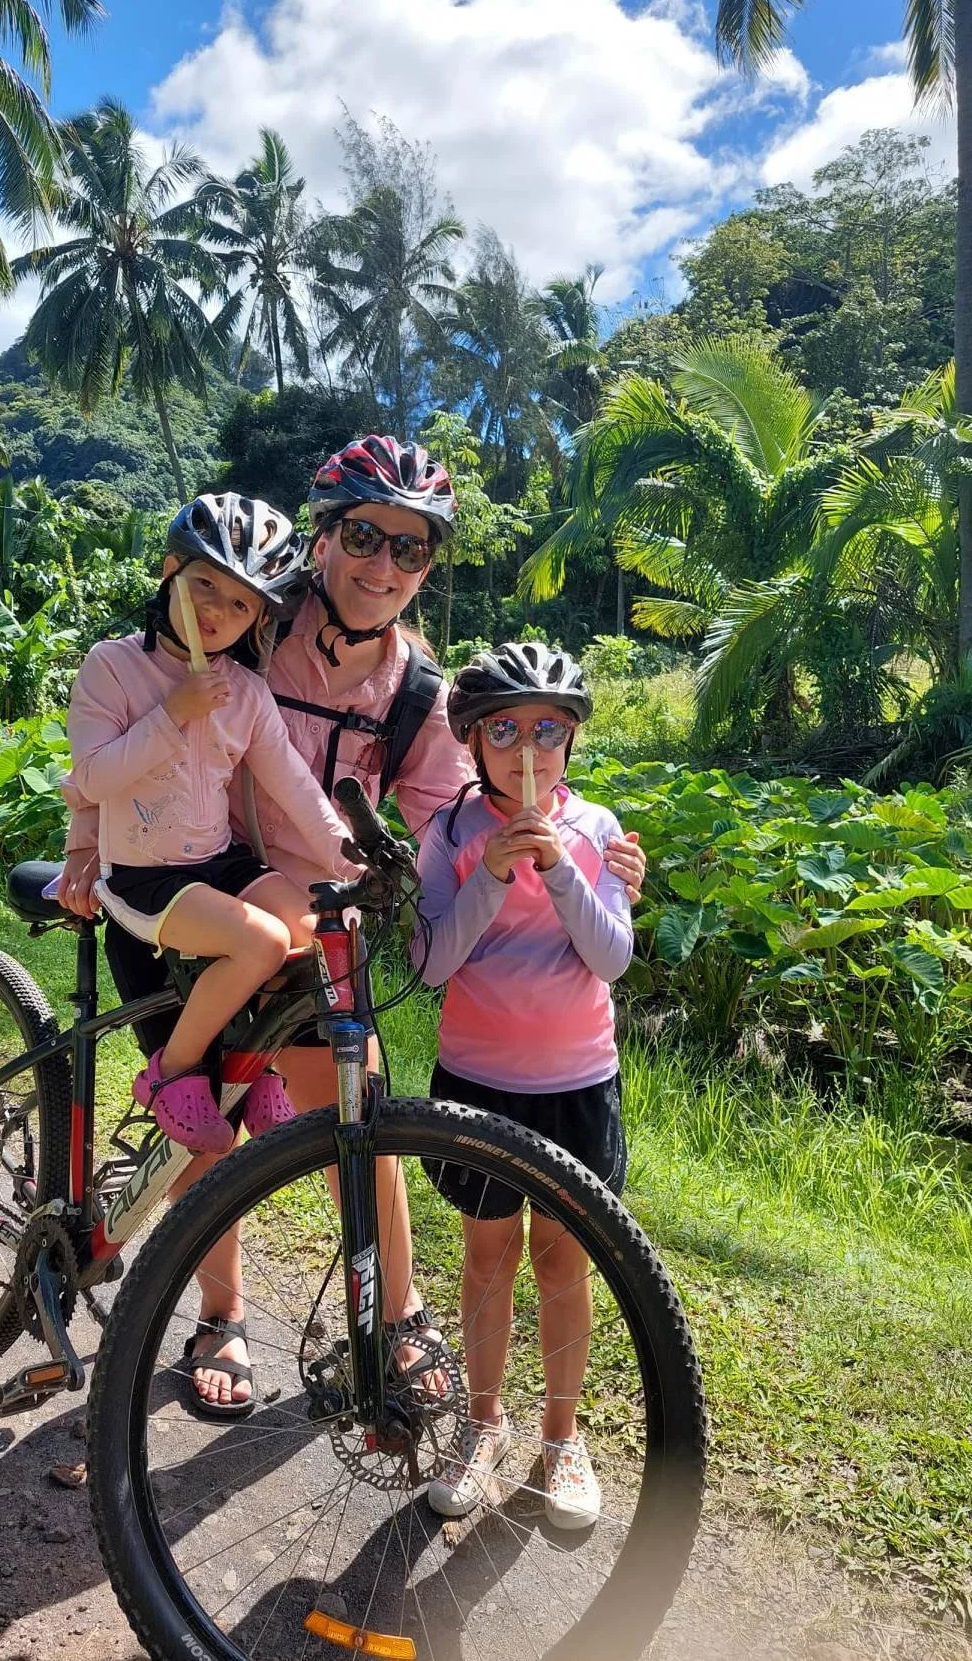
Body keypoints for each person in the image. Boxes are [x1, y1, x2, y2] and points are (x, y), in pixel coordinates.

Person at [55, 435, 648, 1417]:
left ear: (427, 566)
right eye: (363, 537)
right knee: (206, 1120)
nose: (381, 568)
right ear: (322, 538)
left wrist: (594, 845)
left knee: (357, 1106)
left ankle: (398, 1316)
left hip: (319, 911)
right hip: (194, 893)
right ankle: (221, 1316)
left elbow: (477, 802)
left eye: (409, 550)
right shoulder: (248, 620)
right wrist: (84, 841)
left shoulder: (420, 692)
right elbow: (132, 722)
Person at [410, 641, 632, 1531]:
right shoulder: (450, 833)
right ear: (472, 742)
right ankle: (483, 1424)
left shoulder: (600, 828)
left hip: (578, 1081)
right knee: (488, 1255)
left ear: (571, 738)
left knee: (563, 1261)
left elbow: (610, 956)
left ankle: (561, 1438)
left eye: (549, 727)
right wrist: (493, 871)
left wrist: (561, 867)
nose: (527, 747)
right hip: (478, 1081)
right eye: (504, 729)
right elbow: (430, 964)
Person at [66, 491, 352, 1156]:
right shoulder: (112, 665)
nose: (217, 612)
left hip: (218, 862)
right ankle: (169, 1074)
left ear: (258, 615)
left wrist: (347, 860)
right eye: (204, 586)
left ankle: (249, 1071)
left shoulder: (247, 691)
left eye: (240, 602)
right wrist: (173, 715)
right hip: (143, 873)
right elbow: (93, 779)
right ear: (170, 570)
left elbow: (293, 783)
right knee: (256, 942)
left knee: (310, 933)